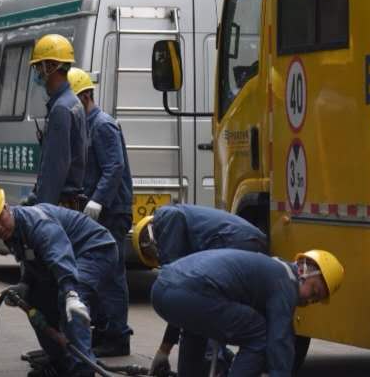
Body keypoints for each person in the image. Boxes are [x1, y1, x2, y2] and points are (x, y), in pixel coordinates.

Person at [0, 180, 114, 377]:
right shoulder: (12, 232)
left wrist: (70, 292)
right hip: (71, 257)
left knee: (70, 304)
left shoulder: (37, 223)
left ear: (6, 206)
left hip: (95, 250)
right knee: (34, 300)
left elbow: (59, 255)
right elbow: (34, 262)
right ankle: (61, 363)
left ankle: (82, 371)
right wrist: (25, 284)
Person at [151, 249, 343, 377]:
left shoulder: (270, 267)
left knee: (196, 329)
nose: (309, 301)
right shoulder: (286, 282)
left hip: (161, 289)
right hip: (189, 293)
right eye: (314, 291)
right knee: (261, 335)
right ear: (304, 270)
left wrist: (164, 348)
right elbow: (280, 340)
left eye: (315, 300)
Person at [133, 204, 269, 375]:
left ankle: (215, 364)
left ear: (148, 240)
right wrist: (165, 348)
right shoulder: (188, 231)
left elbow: (176, 293)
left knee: (209, 311)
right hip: (245, 241)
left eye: (153, 254)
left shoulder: (166, 218)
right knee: (200, 311)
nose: (159, 256)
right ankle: (216, 362)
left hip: (235, 241)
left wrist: (164, 349)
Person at [67, 67, 133, 357]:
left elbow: (114, 167)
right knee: (98, 273)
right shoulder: (85, 126)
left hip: (112, 211)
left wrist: (98, 201)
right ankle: (104, 331)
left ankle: (118, 336)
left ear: (85, 97)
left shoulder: (103, 125)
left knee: (111, 275)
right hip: (99, 210)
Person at [27, 34, 86, 207]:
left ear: (51, 66)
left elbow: (55, 168)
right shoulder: (73, 102)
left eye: (39, 66)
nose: (37, 72)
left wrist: (41, 210)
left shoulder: (61, 109)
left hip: (59, 205)